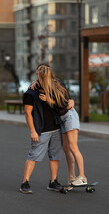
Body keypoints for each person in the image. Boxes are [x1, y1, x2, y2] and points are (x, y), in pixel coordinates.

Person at [20, 64, 75, 194]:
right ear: (38, 75)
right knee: (33, 156)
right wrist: (33, 130)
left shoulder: (53, 87)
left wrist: (72, 100)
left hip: (56, 127)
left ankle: (53, 181)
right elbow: (28, 113)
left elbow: (64, 98)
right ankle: (25, 182)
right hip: (41, 129)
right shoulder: (31, 93)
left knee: (55, 156)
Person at [33, 64, 87, 186]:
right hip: (61, 119)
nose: (37, 76)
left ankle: (82, 176)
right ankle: (72, 176)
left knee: (73, 147)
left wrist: (50, 101)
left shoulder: (56, 83)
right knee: (66, 149)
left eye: (38, 75)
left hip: (69, 116)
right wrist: (34, 83)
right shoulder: (43, 85)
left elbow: (65, 104)